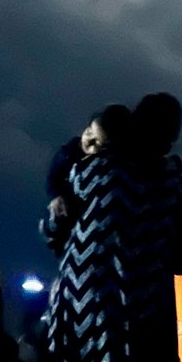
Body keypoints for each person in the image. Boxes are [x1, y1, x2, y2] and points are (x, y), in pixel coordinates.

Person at [42, 92, 182, 362]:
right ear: (170, 136)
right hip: (147, 325)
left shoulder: (93, 172)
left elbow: (52, 230)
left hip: (83, 321)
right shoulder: (175, 188)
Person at [41, 104, 131, 254]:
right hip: (64, 208)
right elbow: (53, 176)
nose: (88, 141)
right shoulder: (69, 151)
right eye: (89, 132)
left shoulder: (107, 169)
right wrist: (56, 196)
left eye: (97, 143)